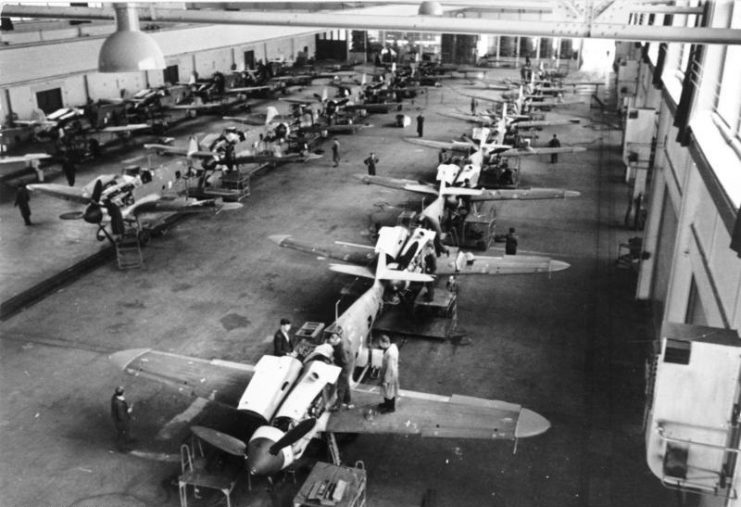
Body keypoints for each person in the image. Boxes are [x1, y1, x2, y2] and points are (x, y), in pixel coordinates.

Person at [329, 332, 354, 410]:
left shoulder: (342, 348)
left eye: (332, 343)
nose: (331, 344)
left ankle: (337, 405)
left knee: (341, 386)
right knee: (345, 383)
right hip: (349, 362)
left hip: (345, 367)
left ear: (336, 340)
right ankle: (347, 400)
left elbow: (344, 361)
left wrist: (334, 360)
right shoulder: (341, 341)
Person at [377, 335, 399, 414]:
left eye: (380, 343)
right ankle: (386, 404)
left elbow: (390, 368)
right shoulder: (393, 347)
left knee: (389, 392)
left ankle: (390, 408)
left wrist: (386, 380)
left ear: (385, 343)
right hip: (389, 373)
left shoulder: (390, 353)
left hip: (389, 375)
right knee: (386, 391)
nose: (380, 345)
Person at [111, 386, 133, 452]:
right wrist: (128, 411)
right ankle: (122, 448)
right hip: (121, 422)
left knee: (124, 432)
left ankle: (127, 439)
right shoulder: (119, 404)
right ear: (123, 393)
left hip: (118, 420)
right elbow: (121, 416)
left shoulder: (115, 397)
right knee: (121, 434)